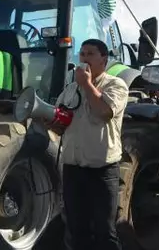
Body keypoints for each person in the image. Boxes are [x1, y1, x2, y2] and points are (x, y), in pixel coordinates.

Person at [52, 38, 129, 250]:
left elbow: (104, 112)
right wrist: (52, 122)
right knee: (77, 229)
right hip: (73, 169)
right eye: (82, 54)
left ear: (103, 59)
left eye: (90, 54)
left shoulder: (116, 85)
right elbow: (60, 125)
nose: (85, 58)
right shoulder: (69, 90)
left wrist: (86, 84)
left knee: (105, 230)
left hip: (102, 171)